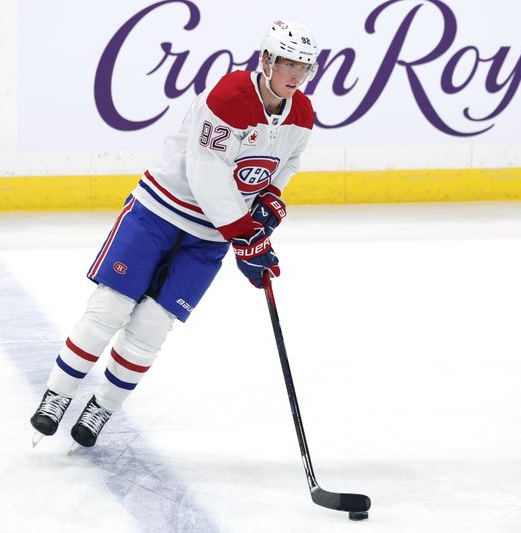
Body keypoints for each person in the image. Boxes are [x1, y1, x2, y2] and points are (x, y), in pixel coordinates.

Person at [30, 19, 319, 448]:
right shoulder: (230, 97)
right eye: (287, 63)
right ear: (266, 60)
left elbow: (287, 160)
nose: (295, 75)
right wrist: (245, 234)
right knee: (110, 307)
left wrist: (270, 201)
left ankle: (101, 407)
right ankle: (57, 394)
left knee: (152, 325)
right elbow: (207, 173)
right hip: (158, 213)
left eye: (304, 66)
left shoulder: (302, 114)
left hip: (211, 235)